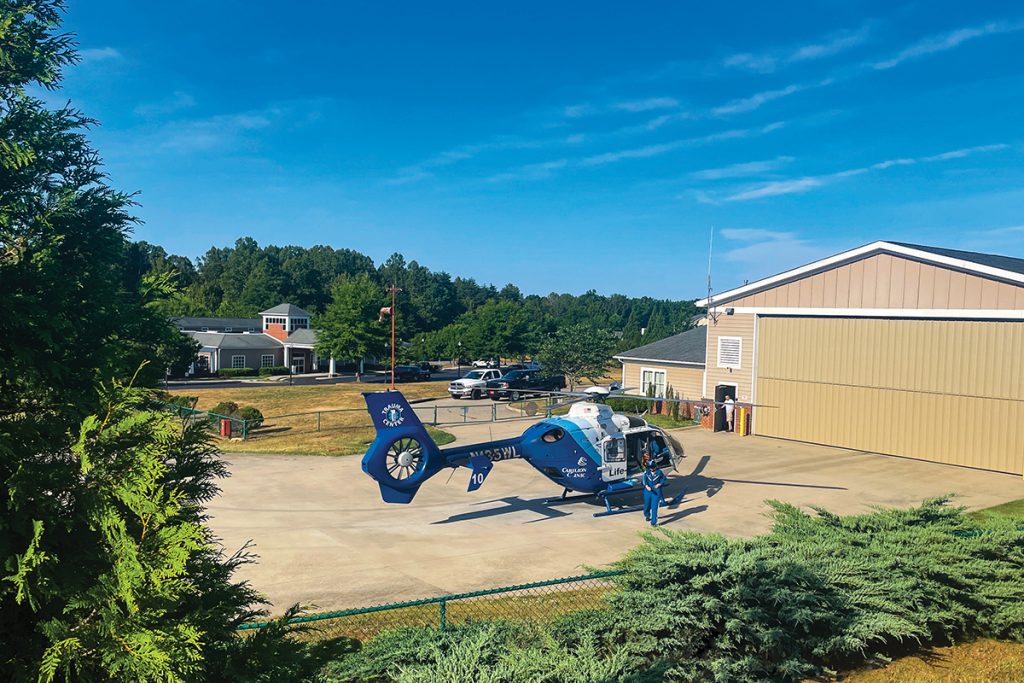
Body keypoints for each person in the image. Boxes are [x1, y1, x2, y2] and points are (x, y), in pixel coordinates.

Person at [642, 455, 666, 526]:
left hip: (656, 491)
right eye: (650, 468)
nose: (651, 469)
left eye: (653, 468)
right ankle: (647, 515)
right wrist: (646, 486)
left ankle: (653, 522)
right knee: (647, 505)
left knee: (654, 507)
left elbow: (663, 479)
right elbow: (644, 480)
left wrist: (659, 484)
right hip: (648, 491)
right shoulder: (647, 472)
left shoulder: (659, 472)